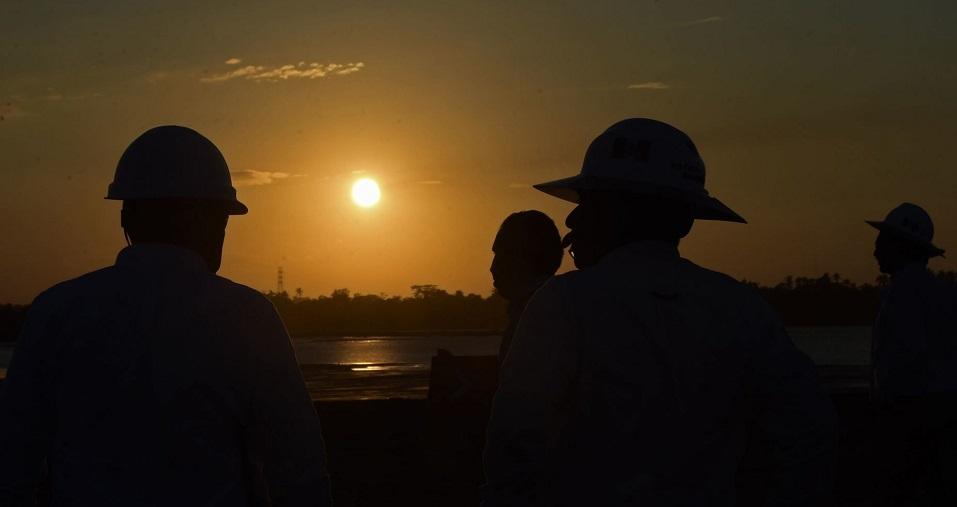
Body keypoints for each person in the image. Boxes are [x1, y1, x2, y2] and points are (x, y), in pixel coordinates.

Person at [483, 118, 837, 506]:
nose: (571, 220)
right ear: (684, 219)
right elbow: (805, 433)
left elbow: (514, 449)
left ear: (618, 212)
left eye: (589, 204)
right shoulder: (742, 309)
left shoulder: (563, 304)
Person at [0, 126, 331, 506]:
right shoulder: (248, 319)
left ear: (126, 217)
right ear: (210, 221)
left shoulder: (56, 312)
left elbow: (12, 464)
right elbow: (299, 469)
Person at [867, 202, 957, 505]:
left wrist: (887, 402)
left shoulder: (902, 295)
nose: (875, 250)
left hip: (915, 415)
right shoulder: (942, 293)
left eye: (881, 242)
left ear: (900, 246)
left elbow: (905, 356)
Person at [490, 210, 564, 363]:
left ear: (523, 258)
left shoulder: (540, 315)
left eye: (502, 255)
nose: (493, 267)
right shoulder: (558, 304)